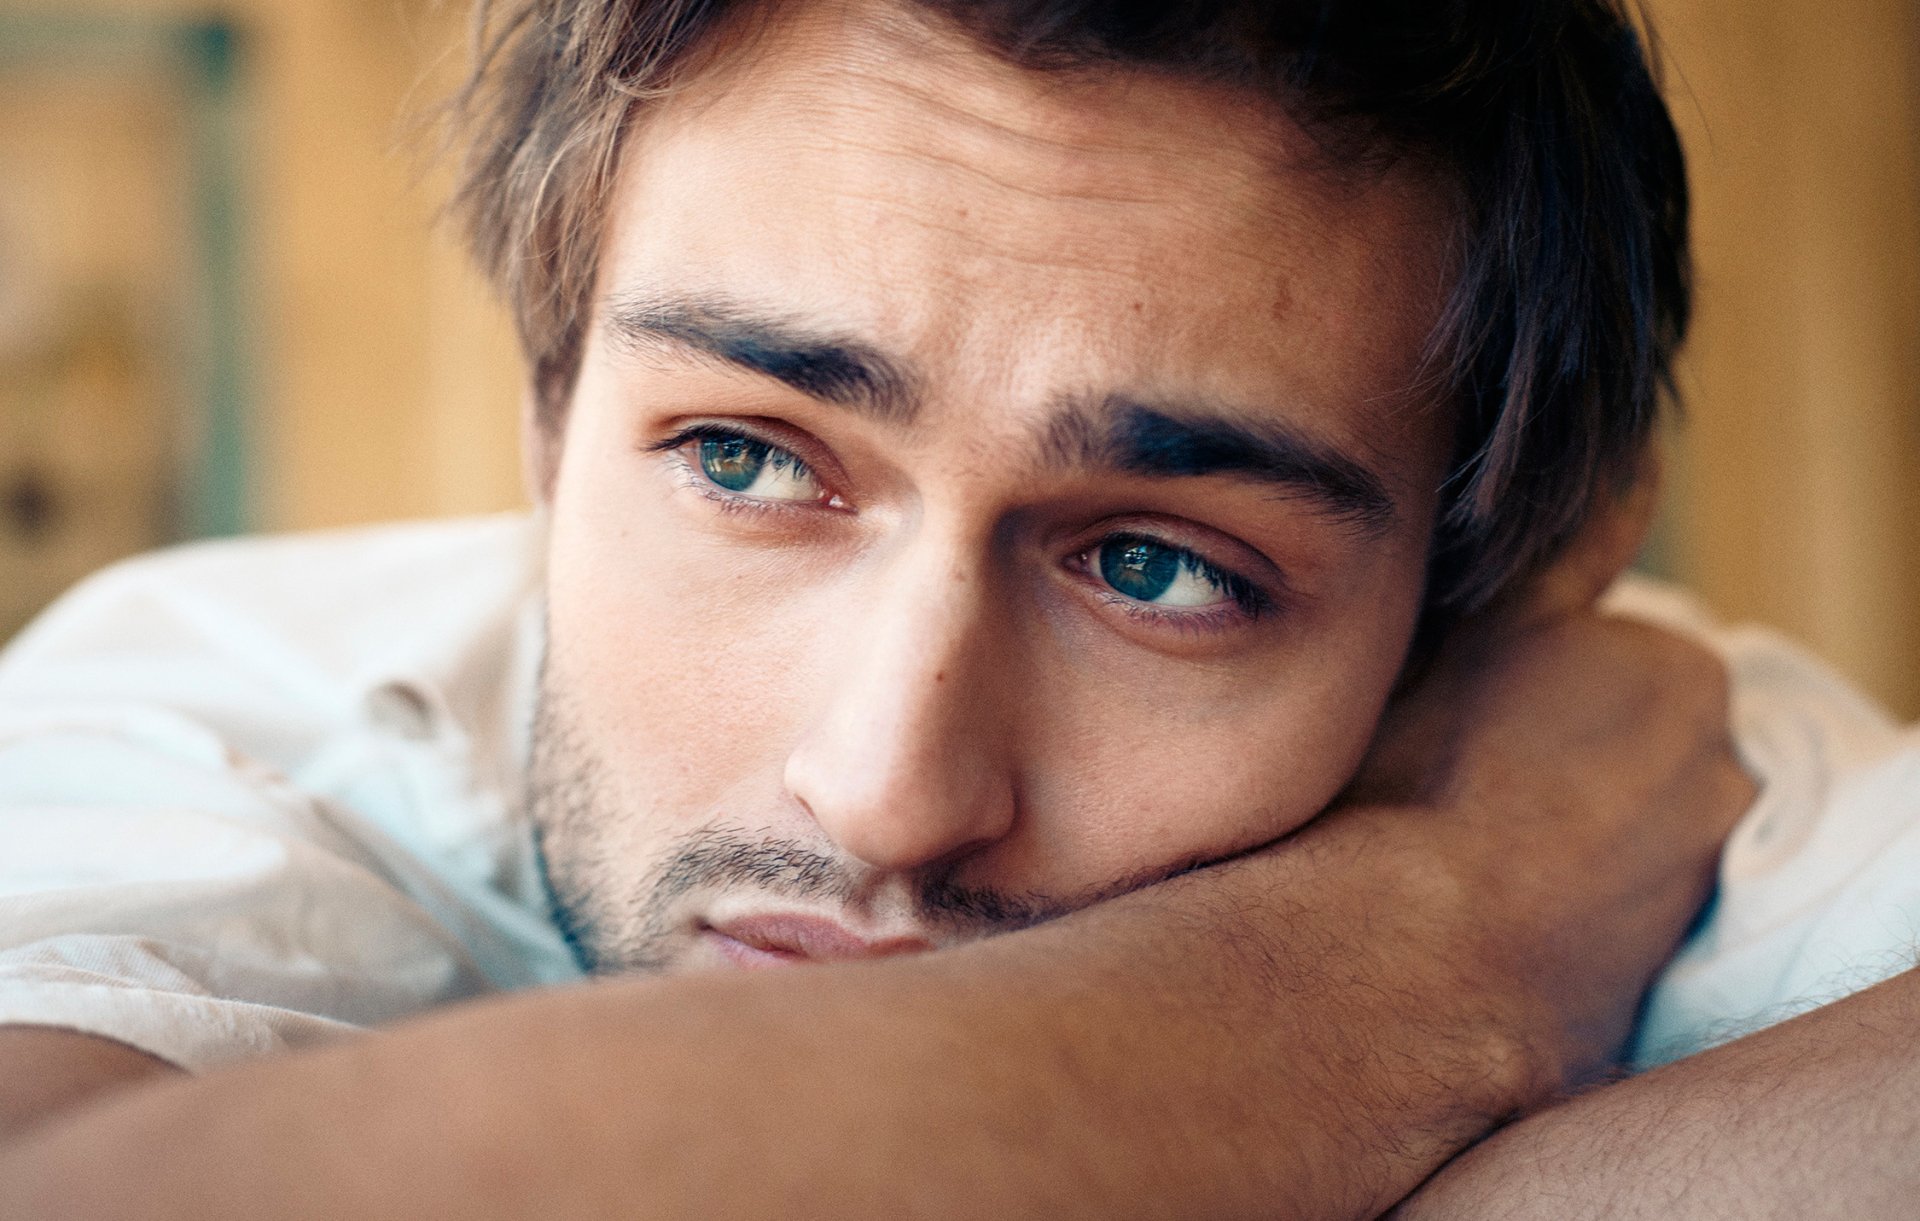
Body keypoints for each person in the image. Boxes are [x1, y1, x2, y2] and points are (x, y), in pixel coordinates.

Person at [0, 0, 1914, 1216]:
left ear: (1500, 594)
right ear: (549, 421)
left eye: (1158, 567)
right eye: (749, 460)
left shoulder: (1677, 770)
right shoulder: (232, 718)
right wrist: (1439, 952)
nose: (887, 786)